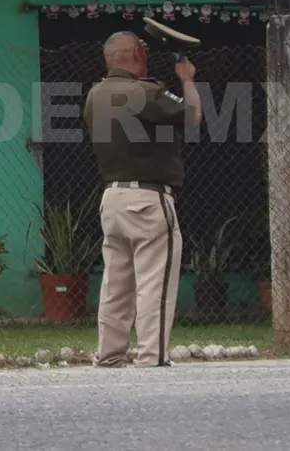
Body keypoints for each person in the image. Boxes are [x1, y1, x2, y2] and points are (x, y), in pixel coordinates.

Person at [82, 31, 201, 368]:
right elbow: (192, 117)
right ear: (135, 53)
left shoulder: (95, 95)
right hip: (148, 199)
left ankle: (110, 353)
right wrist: (186, 79)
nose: (148, 54)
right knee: (155, 282)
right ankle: (153, 355)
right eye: (145, 50)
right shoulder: (145, 92)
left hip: (112, 198)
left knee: (116, 282)